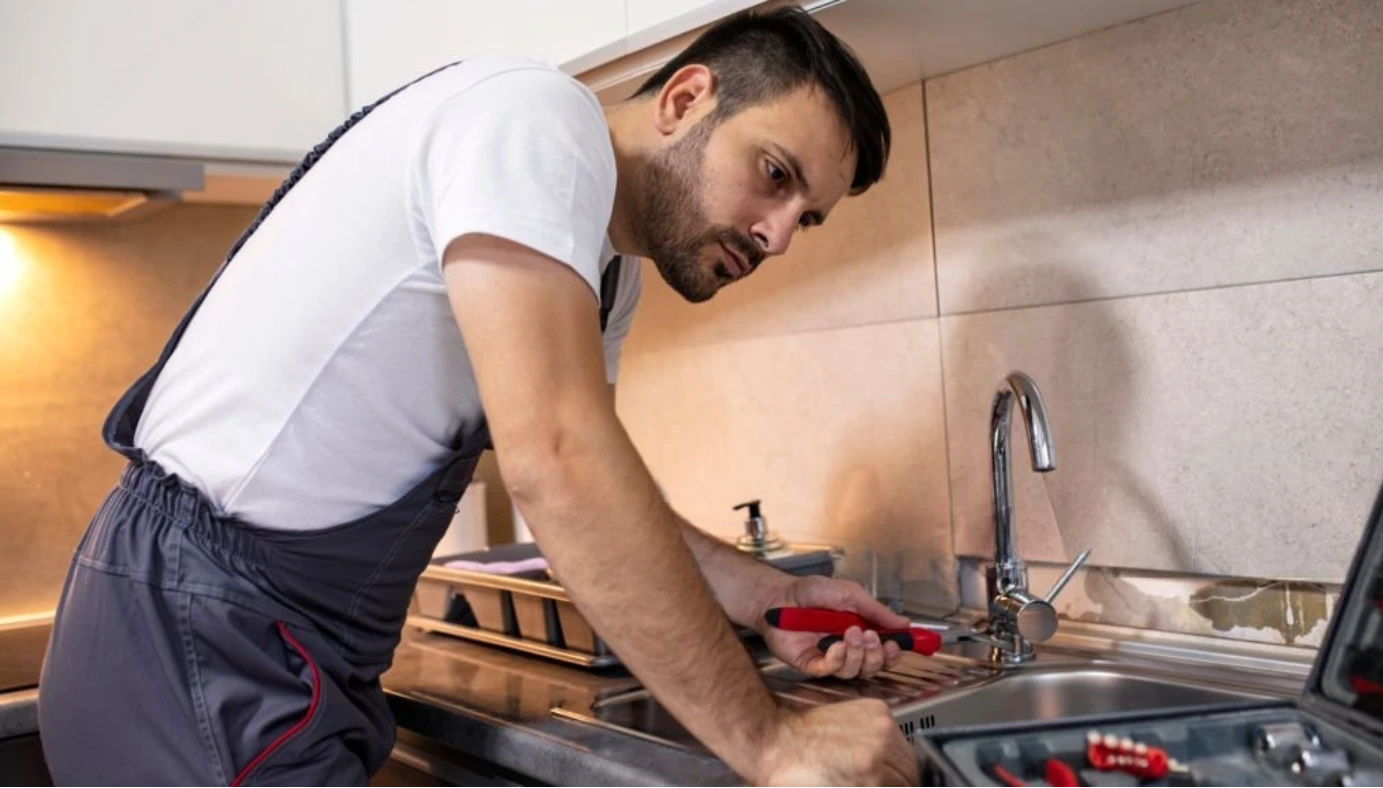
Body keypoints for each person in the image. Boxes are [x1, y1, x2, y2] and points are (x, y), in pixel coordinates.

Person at [38, 7, 918, 787]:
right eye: (774, 173)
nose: (777, 235)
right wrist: (772, 744)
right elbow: (559, 466)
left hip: (282, 655)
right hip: (198, 640)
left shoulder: (605, 269)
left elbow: (601, 490)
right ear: (686, 99)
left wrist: (766, 595)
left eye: (807, 215)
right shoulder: (536, 120)